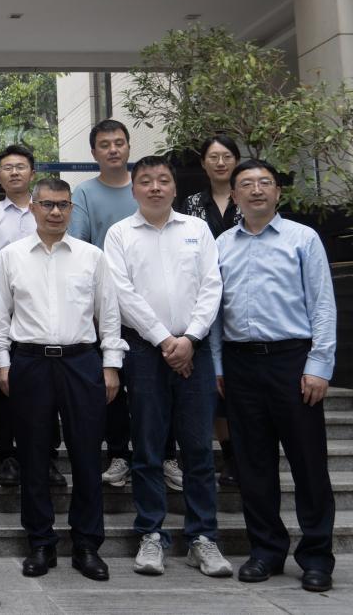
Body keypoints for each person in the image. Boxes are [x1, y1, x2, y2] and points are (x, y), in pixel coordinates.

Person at [211, 159, 337, 593]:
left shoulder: (303, 239)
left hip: (292, 362)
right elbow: (215, 313)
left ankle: (316, 556)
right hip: (241, 364)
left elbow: (323, 305)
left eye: (265, 182)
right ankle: (266, 551)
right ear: (234, 195)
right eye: (246, 183)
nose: (257, 190)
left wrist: (319, 365)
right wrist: (219, 366)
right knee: (253, 464)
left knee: (308, 463)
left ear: (278, 192)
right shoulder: (221, 244)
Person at [0, 177, 126, 582]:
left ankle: (87, 544)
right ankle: (40, 542)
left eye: (63, 205)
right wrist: (3, 363)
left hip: (81, 361)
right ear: (33, 207)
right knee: (33, 456)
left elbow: (109, 314)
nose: (55, 212)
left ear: (71, 209)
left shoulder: (91, 256)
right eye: (47, 204)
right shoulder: (12, 256)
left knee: (86, 455)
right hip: (30, 362)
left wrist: (111, 364)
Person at [104, 156, 231, 578]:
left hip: (195, 347)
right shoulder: (119, 234)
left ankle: (202, 537)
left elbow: (212, 286)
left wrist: (190, 339)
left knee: (198, 448)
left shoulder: (197, 229)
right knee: (148, 447)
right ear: (134, 189)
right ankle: (151, 534)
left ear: (175, 188)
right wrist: (164, 340)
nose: (155, 187)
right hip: (144, 350)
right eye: (146, 181)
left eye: (163, 180)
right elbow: (122, 293)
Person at [67, 120, 180, 491]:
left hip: (155, 307)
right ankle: (119, 453)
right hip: (106, 305)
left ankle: (166, 454)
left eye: (119, 142)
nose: (113, 149)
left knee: (160, 387)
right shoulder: (85, 193)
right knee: (112, 379)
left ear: (129, 147)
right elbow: (80, 247)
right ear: (94, 152)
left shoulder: (146, 186)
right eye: (104, 144)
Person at [0, 144, 63, 488]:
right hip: (2, 306)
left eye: (21, 166)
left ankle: (47, 457)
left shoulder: (48, 209)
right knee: (5, 384)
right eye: (7, 167)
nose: (14, 172)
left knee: (48, 384)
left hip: (45, 307)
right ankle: (8, 456)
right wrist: (19, 283)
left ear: (32, 172)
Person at [181, 134, 244, 487]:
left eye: (227, 156)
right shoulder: (191, 203)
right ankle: (230, 454)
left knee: (240, 382)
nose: (220, 163)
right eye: (213, 157)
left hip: (240, 295)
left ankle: (247, 452)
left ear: (236, 160)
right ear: (203, 163)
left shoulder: (247, 196)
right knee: (215, 386)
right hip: (203, 300)